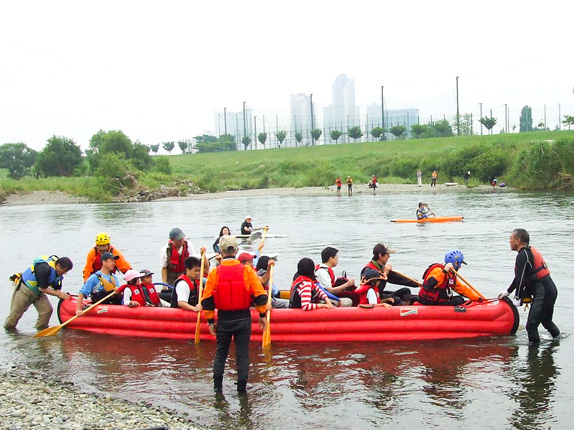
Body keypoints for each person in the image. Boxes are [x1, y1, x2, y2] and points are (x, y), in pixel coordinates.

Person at [201, 235, 268, 394]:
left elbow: (207, 301)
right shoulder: (247, 271)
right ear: (236, 250)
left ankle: (218, 389)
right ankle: (241, 391)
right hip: (243, 318)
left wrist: (210, 321)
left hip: (224, 319)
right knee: (242, 355)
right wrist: (262, 315)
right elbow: (260, 295)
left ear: (221, 252)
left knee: (221, 354)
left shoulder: (214, 273)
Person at [498, 229, 560, 344]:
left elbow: (521, 278)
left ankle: (533, 353)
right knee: (546, 322)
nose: (509, 241)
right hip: (550, 289)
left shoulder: (523, 255)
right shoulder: (526, 253)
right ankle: (557, 342)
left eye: (511, 239)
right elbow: (519, 277)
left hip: (543, 291)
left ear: (518, 241)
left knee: (531, 326)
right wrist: (508, 291)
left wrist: (517, 297)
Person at [4, 256, 73, 330]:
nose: (65, 273)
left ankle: (41, 330)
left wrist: (63, 296)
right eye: (64, 270)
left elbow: (57, 289)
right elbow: (42, 288)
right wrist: (58, 294)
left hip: (38, 293)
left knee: (47, 311)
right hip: (25, 289)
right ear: (58, 265)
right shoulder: (44, 269)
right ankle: (9, 330)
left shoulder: (58, 274)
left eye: (67, 271)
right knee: (16, 313)